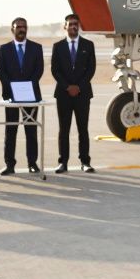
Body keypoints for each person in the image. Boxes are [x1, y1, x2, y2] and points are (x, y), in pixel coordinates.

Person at [0, 17, 43, 175]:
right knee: (11, 130)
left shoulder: (36, 48)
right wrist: (12, 89)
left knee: (31, 130)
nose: (21, 29)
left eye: (24, 27)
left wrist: (27, 88)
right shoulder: (4, 49)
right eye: (18, 27)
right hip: (11, 96)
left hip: (31, 95)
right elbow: (1, 72)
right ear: (12, 29)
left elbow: (39, 70)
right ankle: (9, 164)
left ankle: (32, 163)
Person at [51, 13, 96, 173]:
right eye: (70, 24)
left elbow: (91, 69)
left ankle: (85, 161)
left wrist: (78, 87)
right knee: (64, 130)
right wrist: (68, 87)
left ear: (79, 26)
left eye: (75, 24)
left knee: (82, 129)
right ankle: (63, 162)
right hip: (63, 94)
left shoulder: (88, 45)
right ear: (65, 27)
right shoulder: (58, 46)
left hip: (82, 94)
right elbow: (55, 70)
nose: (73, 26)